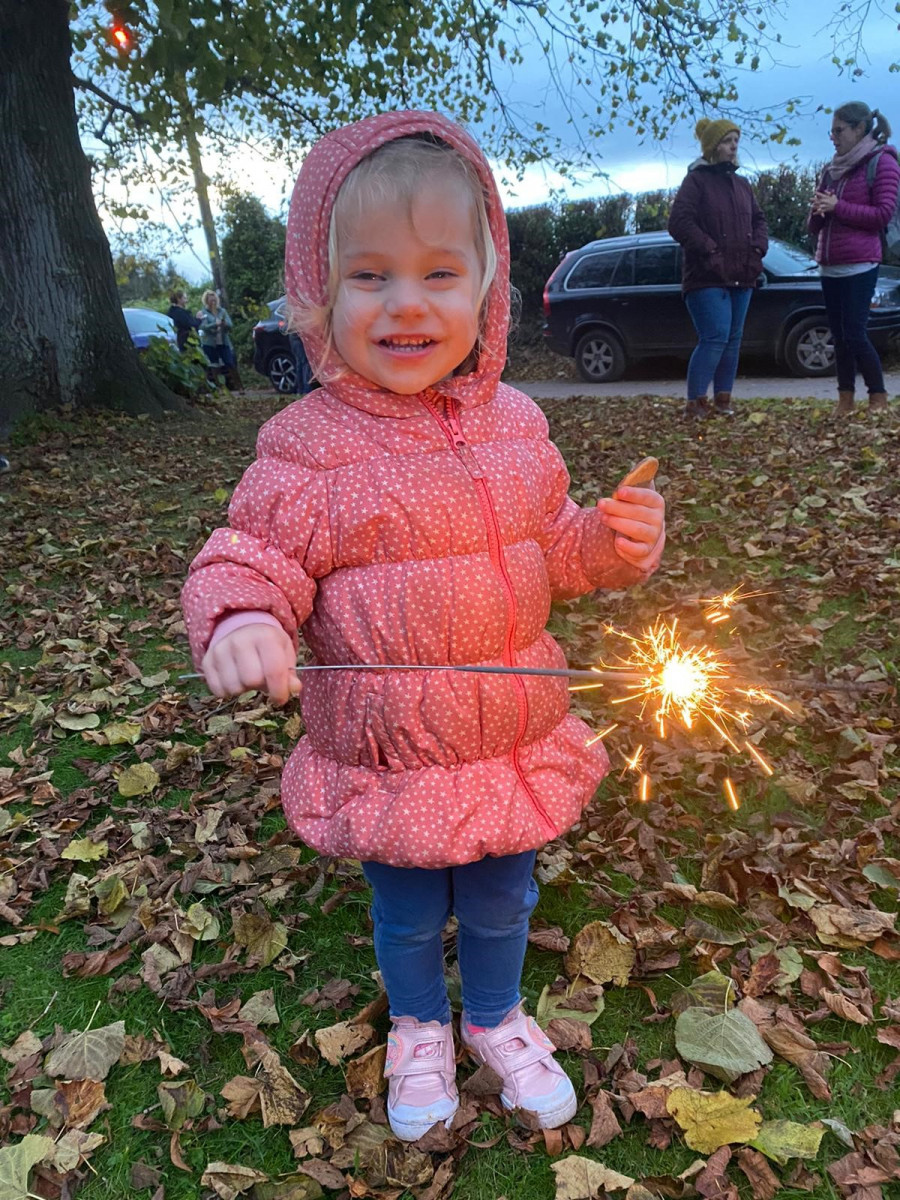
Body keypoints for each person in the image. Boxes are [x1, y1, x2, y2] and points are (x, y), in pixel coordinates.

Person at [181, 112, 665, 1142]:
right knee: (407, 912)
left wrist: (611, 544)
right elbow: (248, 553)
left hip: (506, 734)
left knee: (500, 901)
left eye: (440, 274)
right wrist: (244, 616)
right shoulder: (308, 449)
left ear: (485, 288)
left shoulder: (516, 426)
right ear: (319, 291)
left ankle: (493, 1016)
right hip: (390, 749)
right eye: (370, 277)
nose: (408, 303)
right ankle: (417, 1026)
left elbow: (555, 550)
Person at [668, 118, 768, 419]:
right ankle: (695, 402)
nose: (734, 146)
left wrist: (758, 248)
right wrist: (710, 249)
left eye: (736, 140)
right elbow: (679, 223)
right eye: (727, 140)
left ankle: (723, 401)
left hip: (742, 274)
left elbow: (759, 220)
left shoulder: (742, 184)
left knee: (733, 339)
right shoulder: (696, 181)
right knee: (715, 337)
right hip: (706, 276)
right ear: (713, 146)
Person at [808, 102, 900, 417]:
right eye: (831, 131)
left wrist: (839, 207)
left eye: (839, 130)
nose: (833, 137)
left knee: (855, 333)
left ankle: (878, 396)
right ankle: (845, 399)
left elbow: (882, 214)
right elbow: (817, 222)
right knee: (839, 336)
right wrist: (818, 213)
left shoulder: (882, 162)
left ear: (859, 129)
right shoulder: (830, 169)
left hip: (861, 263)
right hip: (829, 265)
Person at [198, 290, 242, 390]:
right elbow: (203, 327)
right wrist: (215, 324)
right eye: (210, 298)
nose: (212, 300)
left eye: (213, 298)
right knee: (214, 365)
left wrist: (224, 324)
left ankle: (239, 386)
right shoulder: (203, 312)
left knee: (230, 363)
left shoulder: (222, 311)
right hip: (210, 343)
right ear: (206, 300)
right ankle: (220, 388)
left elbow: (230, 325)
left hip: (223, 342)